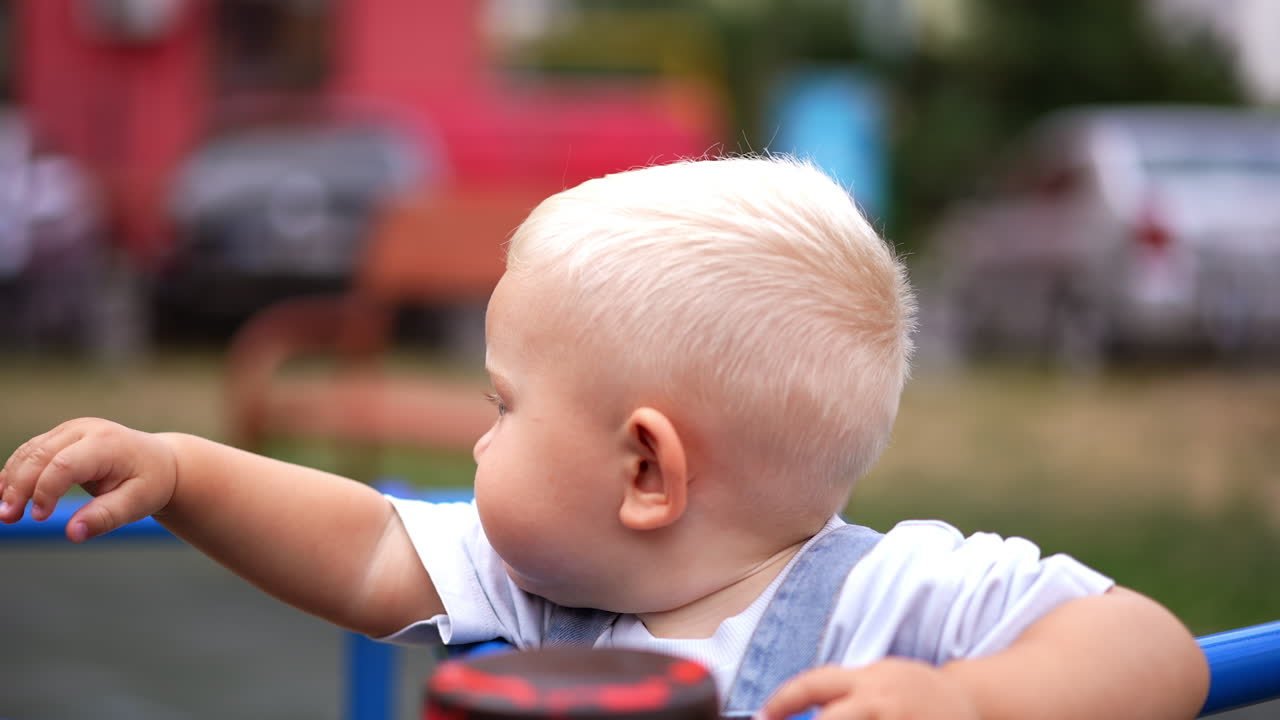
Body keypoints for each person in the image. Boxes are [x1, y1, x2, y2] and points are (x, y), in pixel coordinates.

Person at [0, 156, 1208, 719]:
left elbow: (1152, 648)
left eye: (502, 408)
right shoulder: (546, 585)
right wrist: (181, 469)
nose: (477, 451)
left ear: (644, 469)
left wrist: (975, 707)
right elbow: (367, 548)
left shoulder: (891, 600)